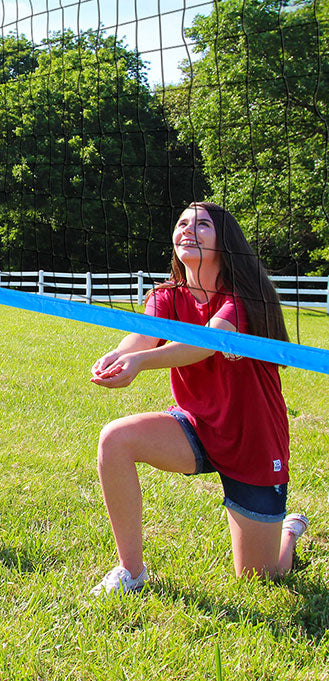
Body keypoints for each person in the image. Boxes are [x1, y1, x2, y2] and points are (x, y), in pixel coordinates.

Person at [89, 201, 308, 596]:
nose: (188, 230)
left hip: (252, 443)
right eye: (183, 223)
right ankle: (131, 571)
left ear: (225, 241)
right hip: (196, 426)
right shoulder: (166, 296)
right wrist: (118, 355)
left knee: (261, 577)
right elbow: (143, 335)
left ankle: (288, 534)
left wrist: (139, 362)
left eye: (203, 224)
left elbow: (204, 342)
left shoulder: (245, 297)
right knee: (115, 439)